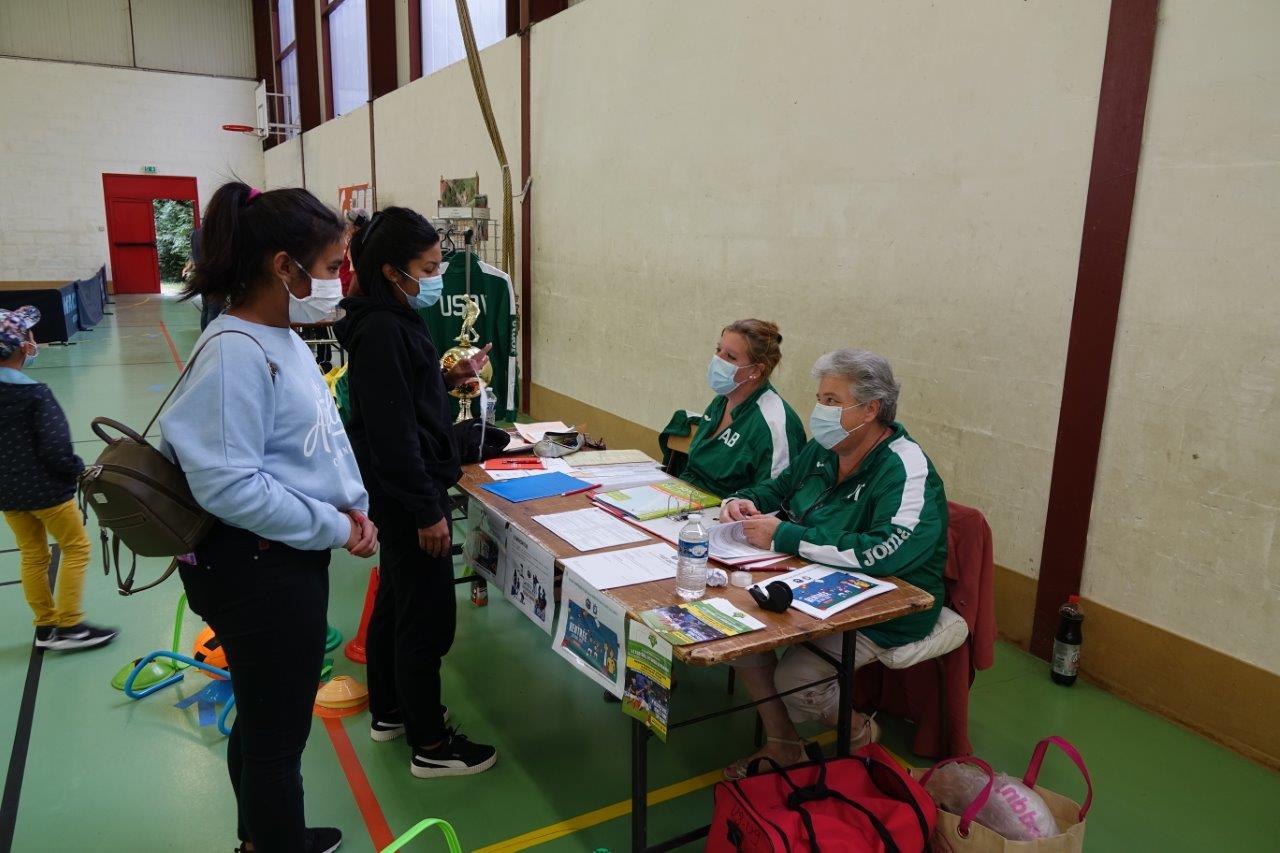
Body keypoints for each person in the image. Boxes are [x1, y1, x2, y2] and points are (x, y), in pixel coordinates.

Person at [160, 182, 377, 853]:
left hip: (280, 559)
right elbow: (231, 486)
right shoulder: (234, 352)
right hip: (258, 572)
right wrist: (336, 526)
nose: (341, 277)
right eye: (333, 262)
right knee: (277, 741)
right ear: (284, 266)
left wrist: (350, 505)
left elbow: (305, 448)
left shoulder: (278, 335)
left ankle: (260, 838)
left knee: (261, 727)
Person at [719, 349, 948, 778]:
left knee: (796, 682)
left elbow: (884, 552)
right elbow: (780, 487)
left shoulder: (905, 467)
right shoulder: (826, 447)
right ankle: (784, 744)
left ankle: (861, 734)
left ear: (871, 408)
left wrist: (786, 535)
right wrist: (745, 502)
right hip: (816, 580)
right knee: (736, 632)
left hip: (888, 604)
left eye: (831, 401)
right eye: (819, 398)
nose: (819, 411)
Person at [335, 207, 498, 779]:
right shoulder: (381, 328)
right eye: (426, 268)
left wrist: (446, 379)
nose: (435, 278)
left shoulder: (390, 317)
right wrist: (428, 510)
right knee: (424, 619)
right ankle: (431, 745)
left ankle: (392, 710)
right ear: (391, 270)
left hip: (401, 493)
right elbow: (393, 433)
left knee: (397, 602)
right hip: (408, 496)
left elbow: (402, 396)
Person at [0, 307, 117, 651]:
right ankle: (69, 626)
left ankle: (45, 626)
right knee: (77, 548)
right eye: (28, 337)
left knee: (33, 555)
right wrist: (79, 470)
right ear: (22, 347)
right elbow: (56, 450)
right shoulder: (36, 394)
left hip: (8, 495)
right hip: (47, 493)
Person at [679, 320, 805, 497]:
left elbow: (774, 497)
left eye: (730, 357)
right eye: (718, 350)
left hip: (729, 516)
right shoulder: (722, 400)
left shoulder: (774, 423)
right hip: (686, 496)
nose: (718, 360)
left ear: (756, 371)